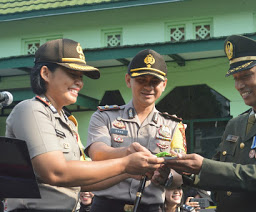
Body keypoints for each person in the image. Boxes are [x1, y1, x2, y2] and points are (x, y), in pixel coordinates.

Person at [5, 39, 165, 211]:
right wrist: (125, 163)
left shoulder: (66, 121)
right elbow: (55, 172)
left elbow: (80, 182)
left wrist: (129, 172)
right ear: (45, 73)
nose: (79, 83)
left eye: (80, 77)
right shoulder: (30, 110)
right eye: (72, 74)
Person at [165, 35, 256, 212]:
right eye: (235, 78)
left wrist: (203, 165)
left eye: (246, 76)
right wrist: (186, 169)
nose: (239, 85)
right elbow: (216, 171)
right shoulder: (236, 123)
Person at [86, 49, 186, 212]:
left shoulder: (173, 125)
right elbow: (98, 154)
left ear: (164, 84)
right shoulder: (105, 117)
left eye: (155, 81)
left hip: (150, 207)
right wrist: (128, 155)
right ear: (128, 80)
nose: (148, 87)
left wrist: (165, 177)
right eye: (141, 80)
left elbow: (180, 173)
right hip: (107, 205)